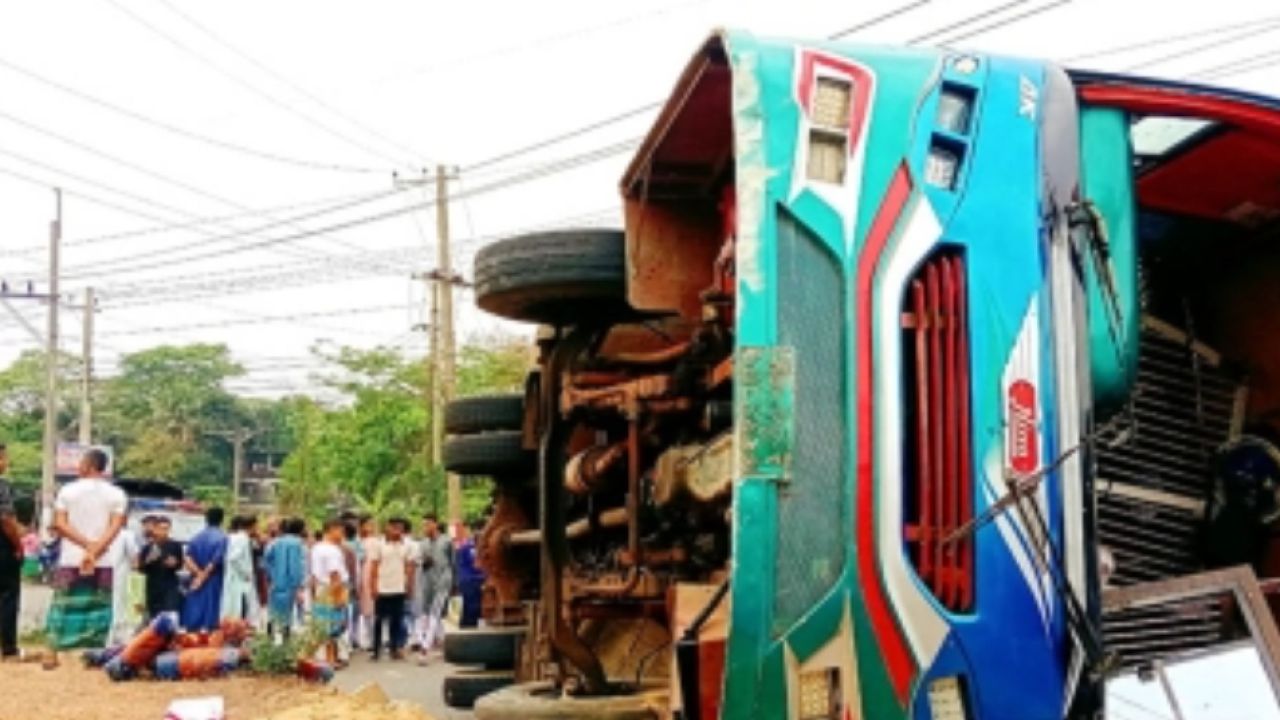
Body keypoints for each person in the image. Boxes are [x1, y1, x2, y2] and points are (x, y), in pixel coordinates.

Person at [44, 448, 127, 665]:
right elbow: (116, 526)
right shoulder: (116, 494)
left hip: (71, 556)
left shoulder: (67, 491)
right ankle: (93, 654)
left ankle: (51, 651)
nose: (78, 466)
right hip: (103, 559)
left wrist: (85, 546)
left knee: (62, 603)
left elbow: (60, 524)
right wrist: (96, 548)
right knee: (98, 607)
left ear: (89, 465)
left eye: (81, 462)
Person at [368, 518, 416, 661]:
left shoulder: (406, 546)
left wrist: (409, 586)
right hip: (382, 588)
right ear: (387, 528)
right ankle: (376, 650)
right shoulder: (378, 545)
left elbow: (408, 567)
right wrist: (373, 587)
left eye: (400, 528)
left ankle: (394, 649)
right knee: (379, 620)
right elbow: (374, 567)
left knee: (396, 620)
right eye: (394, 528)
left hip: (399, 588)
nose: (397, 531)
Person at [310, 518, 350, 667]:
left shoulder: (317, 547)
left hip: (322, 588)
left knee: (324, 624)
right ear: (332, 530)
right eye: (341, 531)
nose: (342, 534)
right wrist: (338, 597)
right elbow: (335, 575)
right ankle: (330, 658)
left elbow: (314, 575)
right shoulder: (332, 550)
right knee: (333, 625)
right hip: (333, 589)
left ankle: (330, 657)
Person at [182, 507, 228, 631]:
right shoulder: (223, 538)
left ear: (206, 519)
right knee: (211, 610)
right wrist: (204, 576)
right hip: (214, 579)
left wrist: (198, 575)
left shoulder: (196, 537)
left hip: (196, 578)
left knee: (195, 610)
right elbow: (215, 561)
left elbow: (187, 558)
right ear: (222, 520)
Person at [416, 513, 453, 654]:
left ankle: (425, 645)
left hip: (443, 581)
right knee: (428, 613)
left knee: (435, 612)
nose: (425, 527)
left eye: (427, 524)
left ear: (435, 524)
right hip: (427, 582)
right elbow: (419, 562)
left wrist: (454, 584)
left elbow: (452, 562)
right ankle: (441, 640)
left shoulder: (446, 541)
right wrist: (424, 562)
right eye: (423, 525)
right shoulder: (423, 543)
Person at [263, 518, 305, 641]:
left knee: (273, 611)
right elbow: (295, 567)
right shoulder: (296, 543)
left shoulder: (274, 542)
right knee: (288, 613)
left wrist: (272, 574)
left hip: (276, 582)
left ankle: (269, 639)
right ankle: (285, 643)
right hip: (289, 584)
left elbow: (266, 561)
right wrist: (298, 586)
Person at [0, 443, 23, 660]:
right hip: (2, 548)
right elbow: (5, 519)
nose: (6, 463)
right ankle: (8, 648)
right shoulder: (2, 486)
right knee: (8, 595)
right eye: (4, 458)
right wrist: (18, 545)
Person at [138, 517, 183, 621]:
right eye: (161, 528)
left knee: (170, 615)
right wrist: (149, 560)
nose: (164, 531)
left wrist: (174, 564)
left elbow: (180, 564)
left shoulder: (175, 545)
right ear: (156, 529)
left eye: (166, 528)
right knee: (154, 617)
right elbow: (141, 568)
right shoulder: (148, 547)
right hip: (153, 587)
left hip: (170, 586)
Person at [108, 521, 142, 645]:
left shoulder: (103, 533)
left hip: (111, 575)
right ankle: (123, 637)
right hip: (123, 576)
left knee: (117, 604)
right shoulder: (127, 535)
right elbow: (135, 556)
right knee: (125, 606)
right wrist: (137, 572)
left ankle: (115, 636)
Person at [221, 516, 259, 622]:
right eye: (256, 526)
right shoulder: (243, 538)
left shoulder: (233, 537)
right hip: (240, 580)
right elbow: (234, 558)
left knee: (234, 608)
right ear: (251, 526)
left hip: (233, 579)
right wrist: (245, 573)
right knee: (241, 608)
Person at [456, 522, 486, 629]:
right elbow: (477, 565)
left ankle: (471, 626)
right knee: (470, 607)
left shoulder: (482, 546)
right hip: (469, 581)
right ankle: (468, 628)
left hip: (479, 580)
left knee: (476, 607)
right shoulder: (468, 547)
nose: (481, 533)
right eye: (478, 530)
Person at [356, 515, 378, 649]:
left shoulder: (376, 542)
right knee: (361, 612)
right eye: (368, 524)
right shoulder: (357, 541)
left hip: (371, 579)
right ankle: (358, 638)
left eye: (372, 525)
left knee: (371, 611)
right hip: (359, 579)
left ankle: (373, 639)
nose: (371, 528)